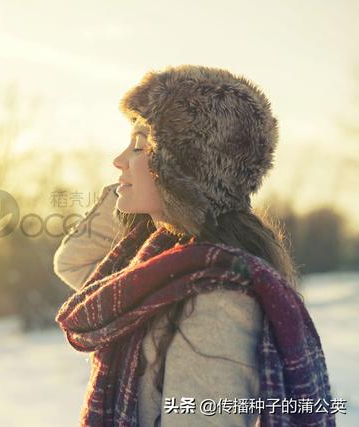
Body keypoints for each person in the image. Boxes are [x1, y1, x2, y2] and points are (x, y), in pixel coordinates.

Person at [53, 65, 334, 427]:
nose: (119, 160)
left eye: (140, 146)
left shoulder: (217, 301)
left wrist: (153, 189)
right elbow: (74, 263)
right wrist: (135, 192)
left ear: (182, 169)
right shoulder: (160, 266)